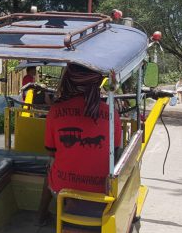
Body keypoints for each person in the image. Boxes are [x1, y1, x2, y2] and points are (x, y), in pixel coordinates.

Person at [37, 64, 121, 224]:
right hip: (102, 189)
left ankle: (40, 215)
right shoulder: (112, 114)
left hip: (63, 189)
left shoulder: (55, 111)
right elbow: (115, 151)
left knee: (50, 166)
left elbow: (50, 151)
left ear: (69, 81)